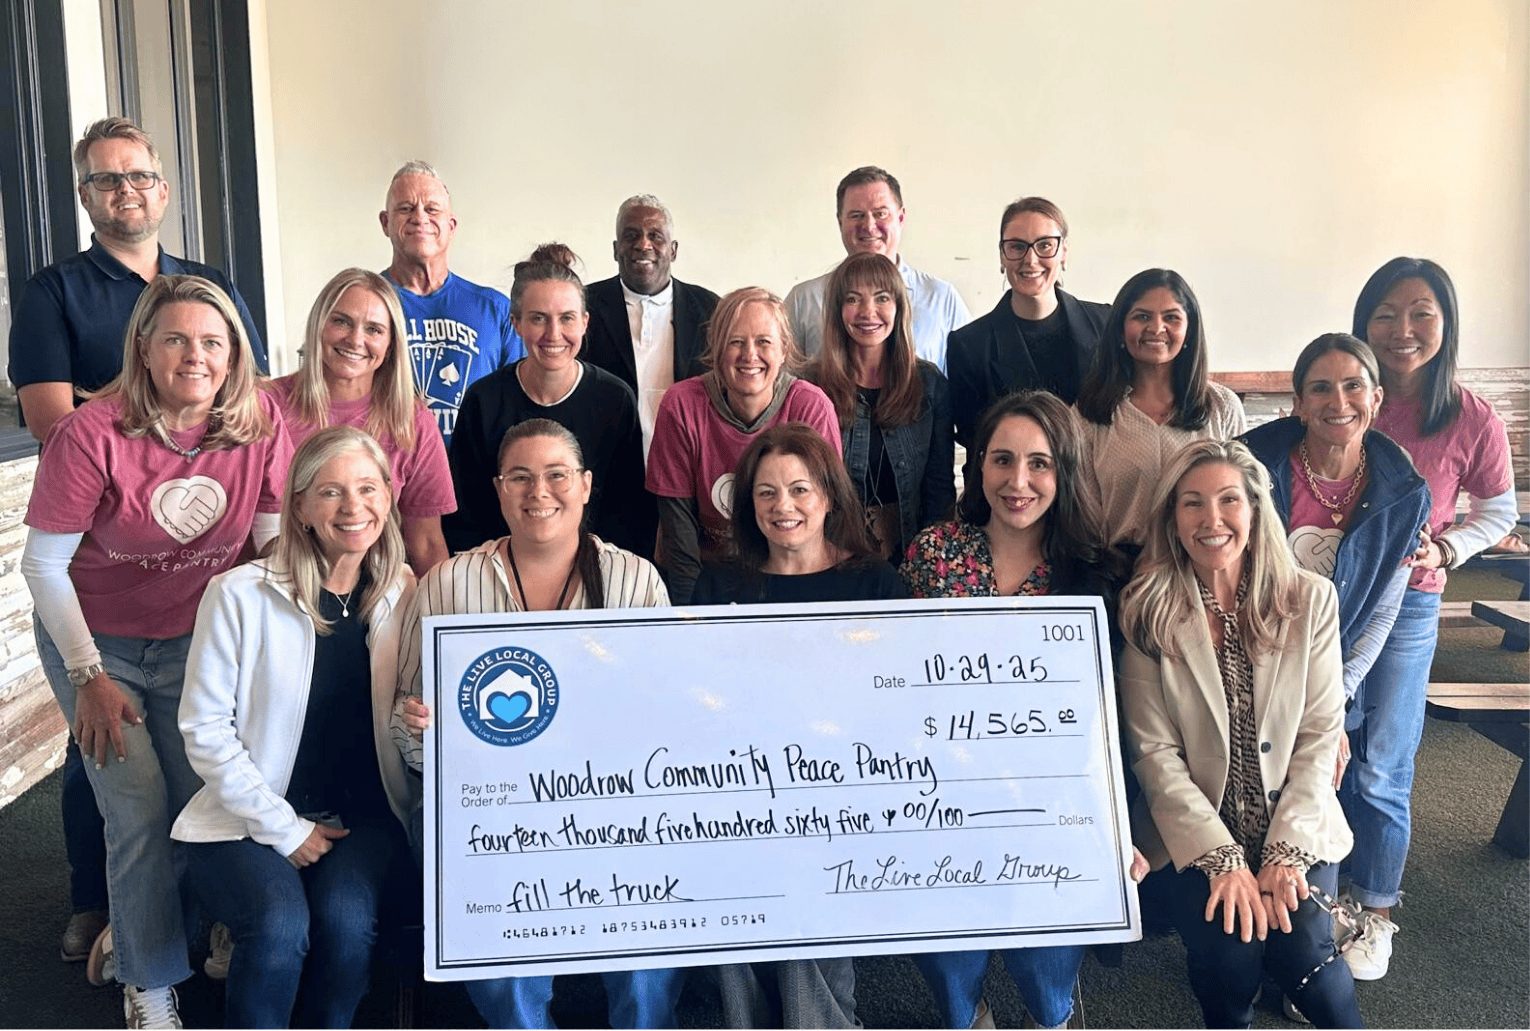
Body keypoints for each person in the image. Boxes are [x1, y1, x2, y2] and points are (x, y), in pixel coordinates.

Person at [8, 119, 270, 962]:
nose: (128, 191)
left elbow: (245, 395)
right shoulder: (54, 292)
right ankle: (115, 926)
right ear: (86, 197)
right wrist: (134, 425)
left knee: (194, 783)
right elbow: (54, 420)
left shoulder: (208, 283)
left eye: (141, 176)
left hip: (189, 616)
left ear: (164, 187)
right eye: (108, 179)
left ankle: (176, 924)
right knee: (122, 788)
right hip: (100, 604)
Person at [19, 274, 290, 1028]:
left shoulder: (259, 420)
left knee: (201, 793)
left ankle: (158, 929)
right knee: (136, 806)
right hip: (94, 641)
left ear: (234, 353)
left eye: (212, 341)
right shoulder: (91, 432)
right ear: (144, 347)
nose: (195, 356)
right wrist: (88, 678)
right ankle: (150, 981)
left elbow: (270, 545)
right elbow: (42, 567)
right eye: (176, 339)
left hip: (193, 638)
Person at [392, 418, 682, 1029]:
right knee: (496, 928)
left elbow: (664, 717)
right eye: (520, 477)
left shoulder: (636, 581)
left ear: (586, 485)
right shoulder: (448, 583)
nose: (538, 492)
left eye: (556, 475)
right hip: (490, 810)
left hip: (614, 807)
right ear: (499, 490)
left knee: (647, 933)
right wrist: (421, 729)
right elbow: (404, 718)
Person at [173, 426, 416, 1028]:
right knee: (280, 926)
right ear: (300, 507)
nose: (353, 506)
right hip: (247, 818)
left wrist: (419, 719)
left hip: (361, 815)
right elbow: (205, 729)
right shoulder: (238, 594)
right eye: (331, 492)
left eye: (367, 488)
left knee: (347, 924)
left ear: (388, 497)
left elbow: (404, 717)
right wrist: (285, 829)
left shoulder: (402, 591)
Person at [1117, 439, 1361, 1029]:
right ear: (1173, 520)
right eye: (1192, 503)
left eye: (1229, 500)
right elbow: (1154, 755)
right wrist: (1222, 860)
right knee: (1231, 956)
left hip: (1295, 821)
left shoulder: (1311, 599)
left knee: (1306, 956)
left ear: (1254, 509)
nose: (1212, 519)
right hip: (1194, 831)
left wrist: (1284, 854)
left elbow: (1320, 733)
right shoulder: (1146, 609)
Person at [900, 391, 1121, 1030]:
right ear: (979, 466)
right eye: (1002, 460)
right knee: (949, 950)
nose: (1017, 482)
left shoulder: (1095, 575)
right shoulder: (933, 554)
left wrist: (1117, 820)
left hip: (1053, 801)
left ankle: (1055, 1015)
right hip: (938, 794)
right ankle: (967, 1016)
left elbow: (1115, 711)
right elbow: (893, 680)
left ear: (1065, 471)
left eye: (1039, 463)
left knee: (1045, 963)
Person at [691, 423, 906, 1028]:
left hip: (848, 796)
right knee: (732, 891)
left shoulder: (876, 584)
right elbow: (697, 702)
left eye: (799, 489)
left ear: (829, 496)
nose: (782, 505)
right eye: (766, 493)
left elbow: (900, 706)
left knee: (801, 886)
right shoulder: (718, 586)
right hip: (738, 790)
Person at [1341, 257, 1517, 979]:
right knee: (1324, 748)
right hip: (1329, 604)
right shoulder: (1348, 396)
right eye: (1385, 314)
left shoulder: (1470, 416)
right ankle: (1321, 895)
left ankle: (1375, 910)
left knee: (1384, 761)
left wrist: (1446, 548)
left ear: (1445, 323)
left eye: (1421, 314)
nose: (1402, 329)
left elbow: (1498, 511)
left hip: (1411, 603)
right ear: (1364, 322)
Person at [1241, 333, 1430, 772]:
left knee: (1340, 779)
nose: (1339, 401)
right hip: (1249, 663)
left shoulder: (1405, 497)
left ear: (1375, 398)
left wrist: (1330, 700)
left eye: (1353, 386)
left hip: (1336, 672)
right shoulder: (1250, 471)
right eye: (1321, 388)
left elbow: (1381, 615)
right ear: (1300, 405)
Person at [445, 245, 652, 557]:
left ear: (584, 322)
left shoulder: (614, 399)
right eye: (538, 318)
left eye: (566, 318)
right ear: (516, 323)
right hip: (497, 569)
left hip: (596, 568)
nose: (553, 334)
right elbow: (466, 516)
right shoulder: (483, 401)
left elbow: (628, 511)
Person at [646, 286, 841, 603]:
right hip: (707, 579)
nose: (750, 355)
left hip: (790, 577)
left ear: (784, 349)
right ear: (716, 348)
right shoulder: (681, 405)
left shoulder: (811, 408)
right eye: (736, 342)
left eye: (764, 342)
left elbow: (825, 520)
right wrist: (691, 617)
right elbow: (679, 535)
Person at [268, 267, 455, 576]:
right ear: (319, 325)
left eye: (374, 329)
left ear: (391, 344)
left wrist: (442, 602)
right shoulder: (266, 405)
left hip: (376, 590)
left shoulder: (412, 420)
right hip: (278, 584)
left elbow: (425, 542)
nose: (356, 340)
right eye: (341, 321)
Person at [1076, 268, 1246, 552]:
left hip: (1204, 563)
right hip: (1120, 567)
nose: (1156, 328)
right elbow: (1085, 519)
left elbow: (1242, 501)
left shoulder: (1223, 407)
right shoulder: (1088, 414)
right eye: (1142, 316)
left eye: (1171, 317)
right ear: (1120, 329)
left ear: (1189, 330)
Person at [806, 252, 954, 562]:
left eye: (882, 298)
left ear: (899, 307)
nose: (867, 312)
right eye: (853, 299)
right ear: (837, 310)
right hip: (830, 556)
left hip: (911, 553)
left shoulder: (929, 385)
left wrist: (929, 563)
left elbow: (939, 490)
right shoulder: (810, 387)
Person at [379, 160, 523, 445]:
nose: (420, 217)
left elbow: (520, 407)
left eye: (432, 209)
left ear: (451, 225)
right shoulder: (364, 306)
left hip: (475, 469)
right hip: (388, 468)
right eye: (406, 208)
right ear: (386, 222)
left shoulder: (495, 310)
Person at [946, 197, 1108, 447]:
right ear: (1002, 256)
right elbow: (974, 441)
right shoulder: (968, 345)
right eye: (1017, 246)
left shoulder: (1106, 325)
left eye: (1045, 245)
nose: (1031, 259)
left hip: (1094, 472)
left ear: (1064, 252)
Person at [784, 166, 970, 371]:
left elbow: (967, 381)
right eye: (856, 215)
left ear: (900, 218)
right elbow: (781, 382)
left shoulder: (942, 299)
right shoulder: (804, 300)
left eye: (880, 214)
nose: (869, 226)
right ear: (840, 222)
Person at [580, 194, 721, 457]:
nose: (643, 244)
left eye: (655, 236)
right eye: (631, 235)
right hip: (607, 462)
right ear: (616, 249)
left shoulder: (710, 309)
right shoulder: (583, 306)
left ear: (673, 250)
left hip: (688, 462)